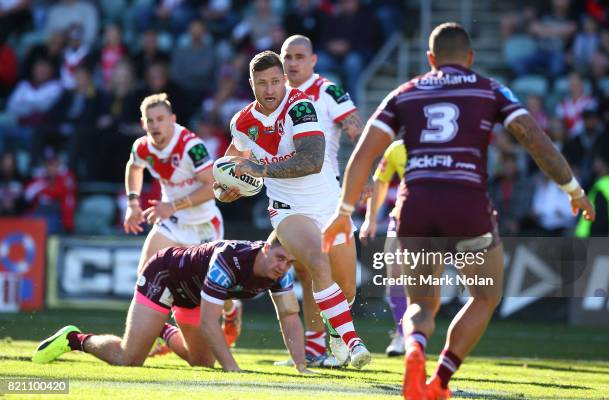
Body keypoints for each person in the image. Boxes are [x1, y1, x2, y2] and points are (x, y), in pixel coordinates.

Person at [322, 22, 595, 399]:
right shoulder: (489, 89)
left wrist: (344, 210)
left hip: (415, 207)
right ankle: (439, 381)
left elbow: (365, 151)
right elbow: (533, 137)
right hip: (466, 204)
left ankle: (415, 349)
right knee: (485, 296)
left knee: (421, 303)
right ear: (470, 57)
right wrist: (573, 189)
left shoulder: (405, 92)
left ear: (430, 59)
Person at [216, 50, 371, 369]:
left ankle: (334, 332)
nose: (270, 89)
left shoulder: (300, 105)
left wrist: (259, 169)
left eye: (275, 81)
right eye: (262, 83)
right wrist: (226, 190)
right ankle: (353, 341)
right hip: (287, 209)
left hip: (329, 204)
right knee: (316, 261)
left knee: (348, 289)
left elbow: (312, 160)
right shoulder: (242, 122)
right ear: (251, 84)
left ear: (284, 80)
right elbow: (228, 169)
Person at [32, 236, 312, 374]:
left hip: (195, 296)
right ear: (265, 248)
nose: (282, 266)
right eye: (279, 258)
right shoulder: (230, 259)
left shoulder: (280, 273)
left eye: (288, 262)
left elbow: (288, 316)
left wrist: (301, 365)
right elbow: (208, 321)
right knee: (129, 359)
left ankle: (161, 328)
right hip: (165, 276)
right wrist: (233, 369)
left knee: (202, 362)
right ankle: (75, 339)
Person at [123, 93, 239, 347]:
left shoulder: (191, 146)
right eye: (150, 121)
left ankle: (231, 309)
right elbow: (133, 167)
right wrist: (133, 204)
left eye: (160, 119)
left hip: (204, 224)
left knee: (214, 288)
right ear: (143, 124)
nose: (155, 126)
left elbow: (213, 187)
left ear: (172, 120)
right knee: (144, 277)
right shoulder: (142, 146)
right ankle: (150, 335)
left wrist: (172, 205)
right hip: (172, 221)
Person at [278, 34, 363, 366]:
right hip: (289, 198)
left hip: (327, 197)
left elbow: (358, 131)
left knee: (343, 283)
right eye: (288, 57)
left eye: (300, 57)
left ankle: (337, 340)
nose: (293, 63)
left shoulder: (328, 92)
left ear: (313, 61)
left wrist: (363, 174)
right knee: (306, 270)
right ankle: (315, 347)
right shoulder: (276, 97)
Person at [359, 139, 408, 356]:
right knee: (395, 273)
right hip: (402, 218)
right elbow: (380, 182)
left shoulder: (447, 147)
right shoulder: (397, 148)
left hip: (435, 222)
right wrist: (370, 219)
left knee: (424, 284)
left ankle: (415, 336)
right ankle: (401, 333)